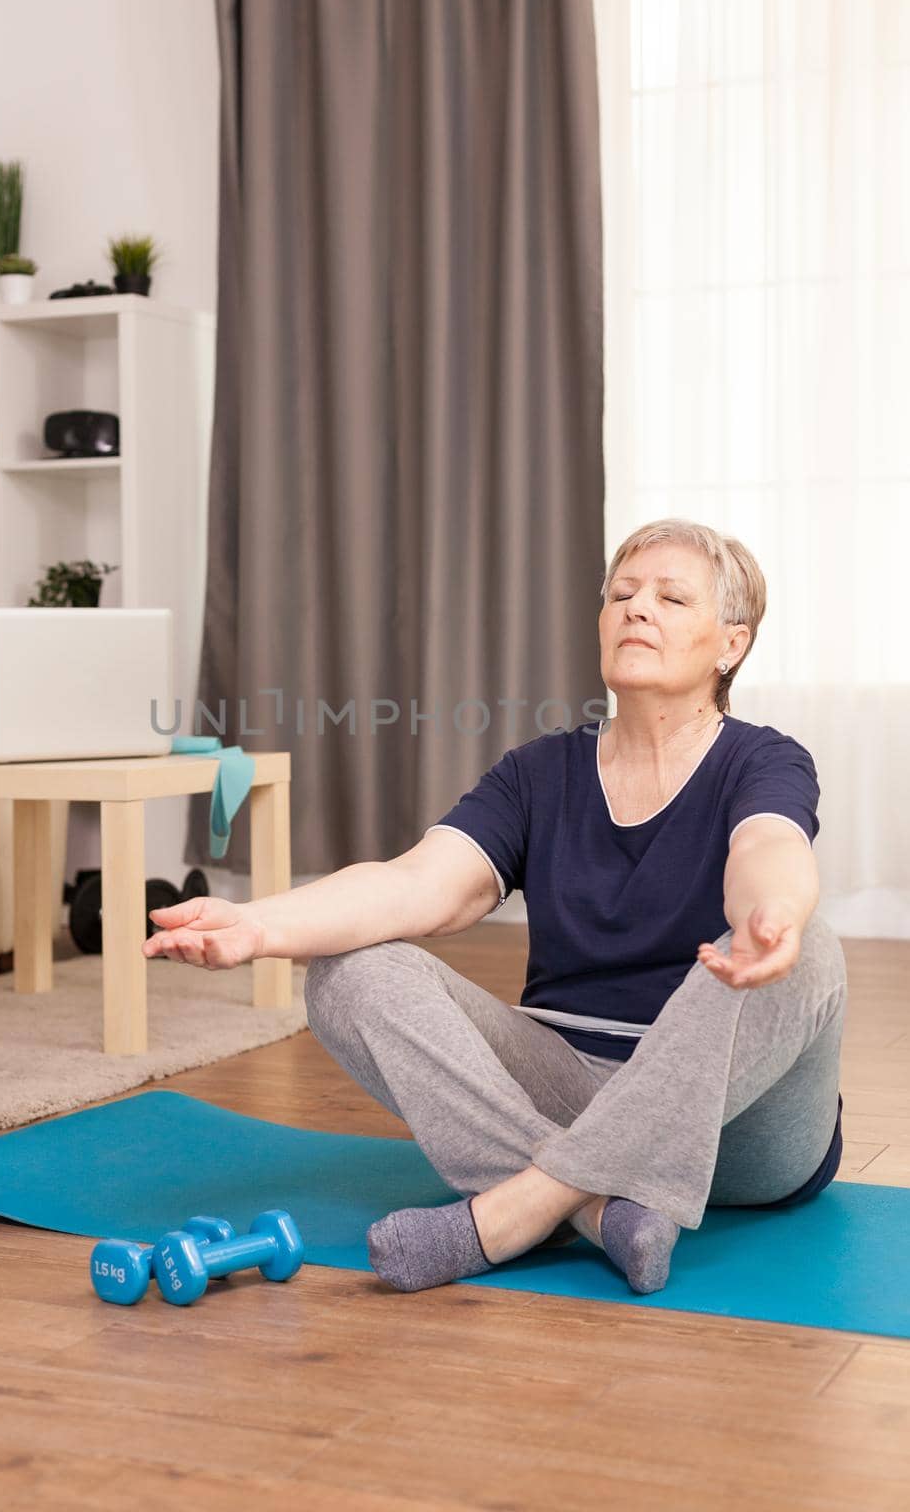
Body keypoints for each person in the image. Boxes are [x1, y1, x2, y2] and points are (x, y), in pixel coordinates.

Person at [142, 517, 847, 1296]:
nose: (635, 609)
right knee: (348, 971)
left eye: (671, 598)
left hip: (734, 1132)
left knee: (805, 945)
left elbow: (768, 848)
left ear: (730, 645)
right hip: (567, 1088)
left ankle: (513, 1214)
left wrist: (768, 915)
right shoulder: (538, 773)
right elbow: (418, 884)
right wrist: (259, 923)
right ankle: (596, 1211)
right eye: (621, 594)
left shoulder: (762, 758)